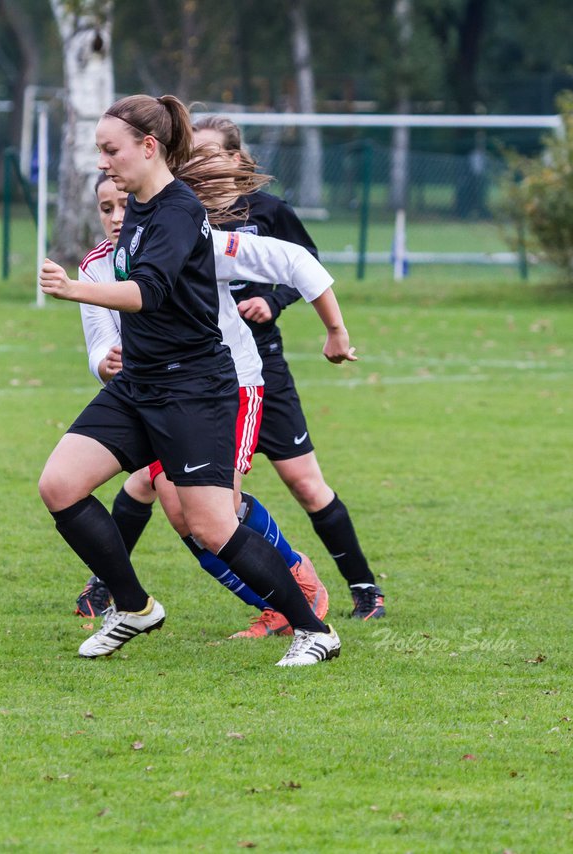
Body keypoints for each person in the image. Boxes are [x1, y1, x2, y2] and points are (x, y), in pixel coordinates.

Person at [38, 94, 353, 667]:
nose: (103, 162)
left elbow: (147, 293)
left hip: (193, 389)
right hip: (140, 387)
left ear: (148, 147)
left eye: (111, 150)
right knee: (59, 485)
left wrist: (73, 288)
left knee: (211, 525)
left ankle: (314, 630)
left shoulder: (179, 210)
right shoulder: (135, 207)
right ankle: (132, 607)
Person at [75, 171, 342, 636]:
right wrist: (106, 363)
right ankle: (276, 605)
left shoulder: (194, 239)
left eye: (123, 204)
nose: (117, 217)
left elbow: (295, 260)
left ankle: (297, 584)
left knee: (219, 511)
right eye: (105, 208)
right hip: (157, 394)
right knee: (183, 513)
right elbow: (98, 344)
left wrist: (336, 330)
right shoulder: (97, 265)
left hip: (230, 386)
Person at [191, 115, 386, 622]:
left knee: (304, 482)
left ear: (237, 158)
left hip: (261, 369)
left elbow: (305, 263)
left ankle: (364, 588)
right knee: (154, 483)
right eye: (191, 153)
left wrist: (271, 302)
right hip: (197, 371)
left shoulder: (270, 211)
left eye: (209, 152)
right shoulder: (183, 212)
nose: (199, 162)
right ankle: (107, 588)